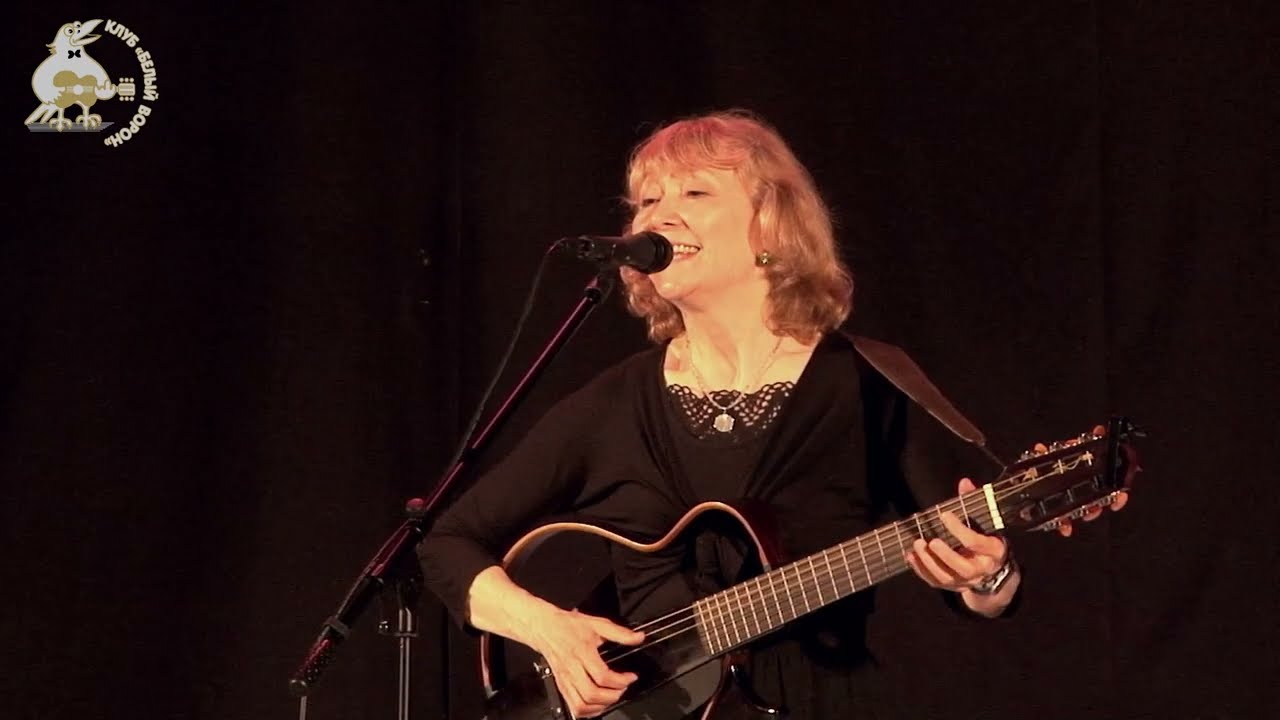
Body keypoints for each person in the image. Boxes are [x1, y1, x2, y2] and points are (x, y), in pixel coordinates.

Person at [419, 110, 1120, 719]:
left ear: (771, 223)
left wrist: (989, 579)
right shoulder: (612, 403)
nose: (657, 217)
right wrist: (552, 631)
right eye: (646, 200)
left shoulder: (864, 381)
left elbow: (974, 573)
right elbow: (444, 544)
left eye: (694, 192)